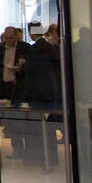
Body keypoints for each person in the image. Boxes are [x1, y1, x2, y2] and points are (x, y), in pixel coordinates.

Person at [22, 23, 62, 167]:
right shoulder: (48, 47)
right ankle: (51, 158)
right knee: (47, 128)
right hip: (49, 90)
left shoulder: (36, 49)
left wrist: (24, 65)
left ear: (31, 33)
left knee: (38, 128)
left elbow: (32, 71)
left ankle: (40, 158)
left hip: (38, 92)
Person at [0, 25, 29, 161]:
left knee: (22, 121)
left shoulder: (25, 48)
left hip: (19, 88)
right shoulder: (0, 49)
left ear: (16, 36)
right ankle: (17, 149)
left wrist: (21, 68)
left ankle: (28, 151)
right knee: (10, 122)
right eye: (7, 38)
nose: (8, 40)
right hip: (5, 88)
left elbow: (31, 66)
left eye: (11, 38)